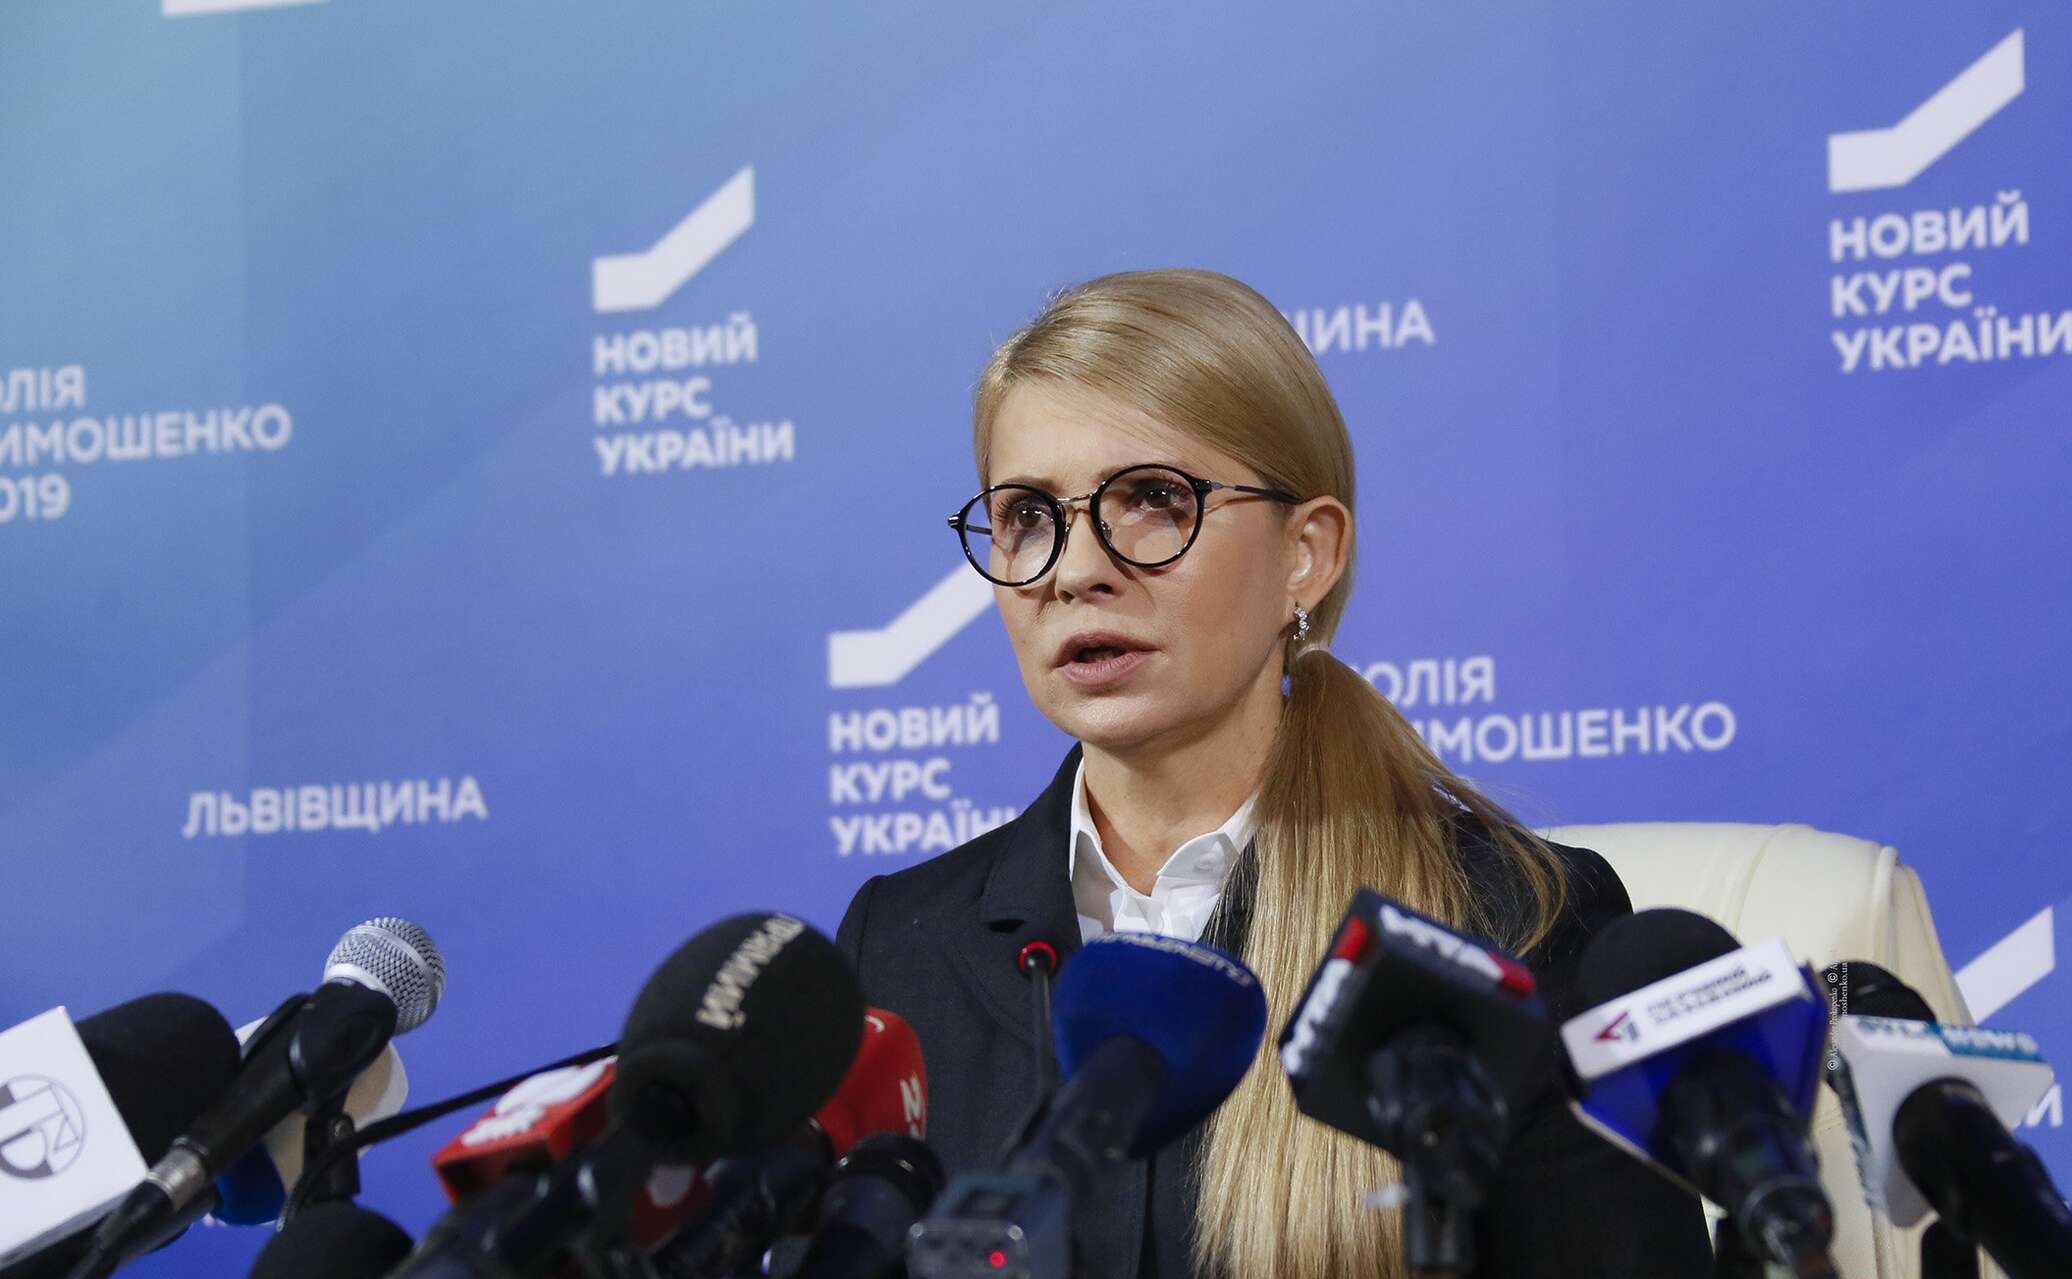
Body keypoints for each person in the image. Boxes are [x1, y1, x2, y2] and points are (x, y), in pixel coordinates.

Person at [835, 268, 1713, 1278]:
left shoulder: (1516, 923)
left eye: (1152, 500)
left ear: (1307, 553)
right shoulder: (896, 947)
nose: (1074, 571)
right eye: (1028, 515)